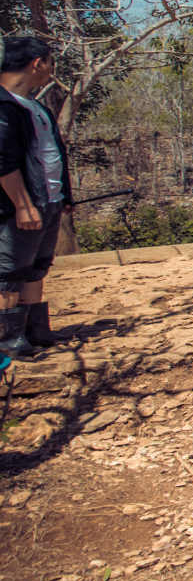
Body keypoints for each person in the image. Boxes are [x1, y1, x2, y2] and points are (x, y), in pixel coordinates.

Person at [0, 36, 72, 362]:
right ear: (37, 63)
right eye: (51, 63)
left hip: (49, 201)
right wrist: (22, 205)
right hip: (21, 208)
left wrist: (64, 195)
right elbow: (4, 161)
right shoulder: (4, 106)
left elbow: (52, 154)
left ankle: (34, 330)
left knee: (37, 267)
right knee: (9, 273)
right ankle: (7, 340)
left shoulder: (36, 105)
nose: (52, 70)